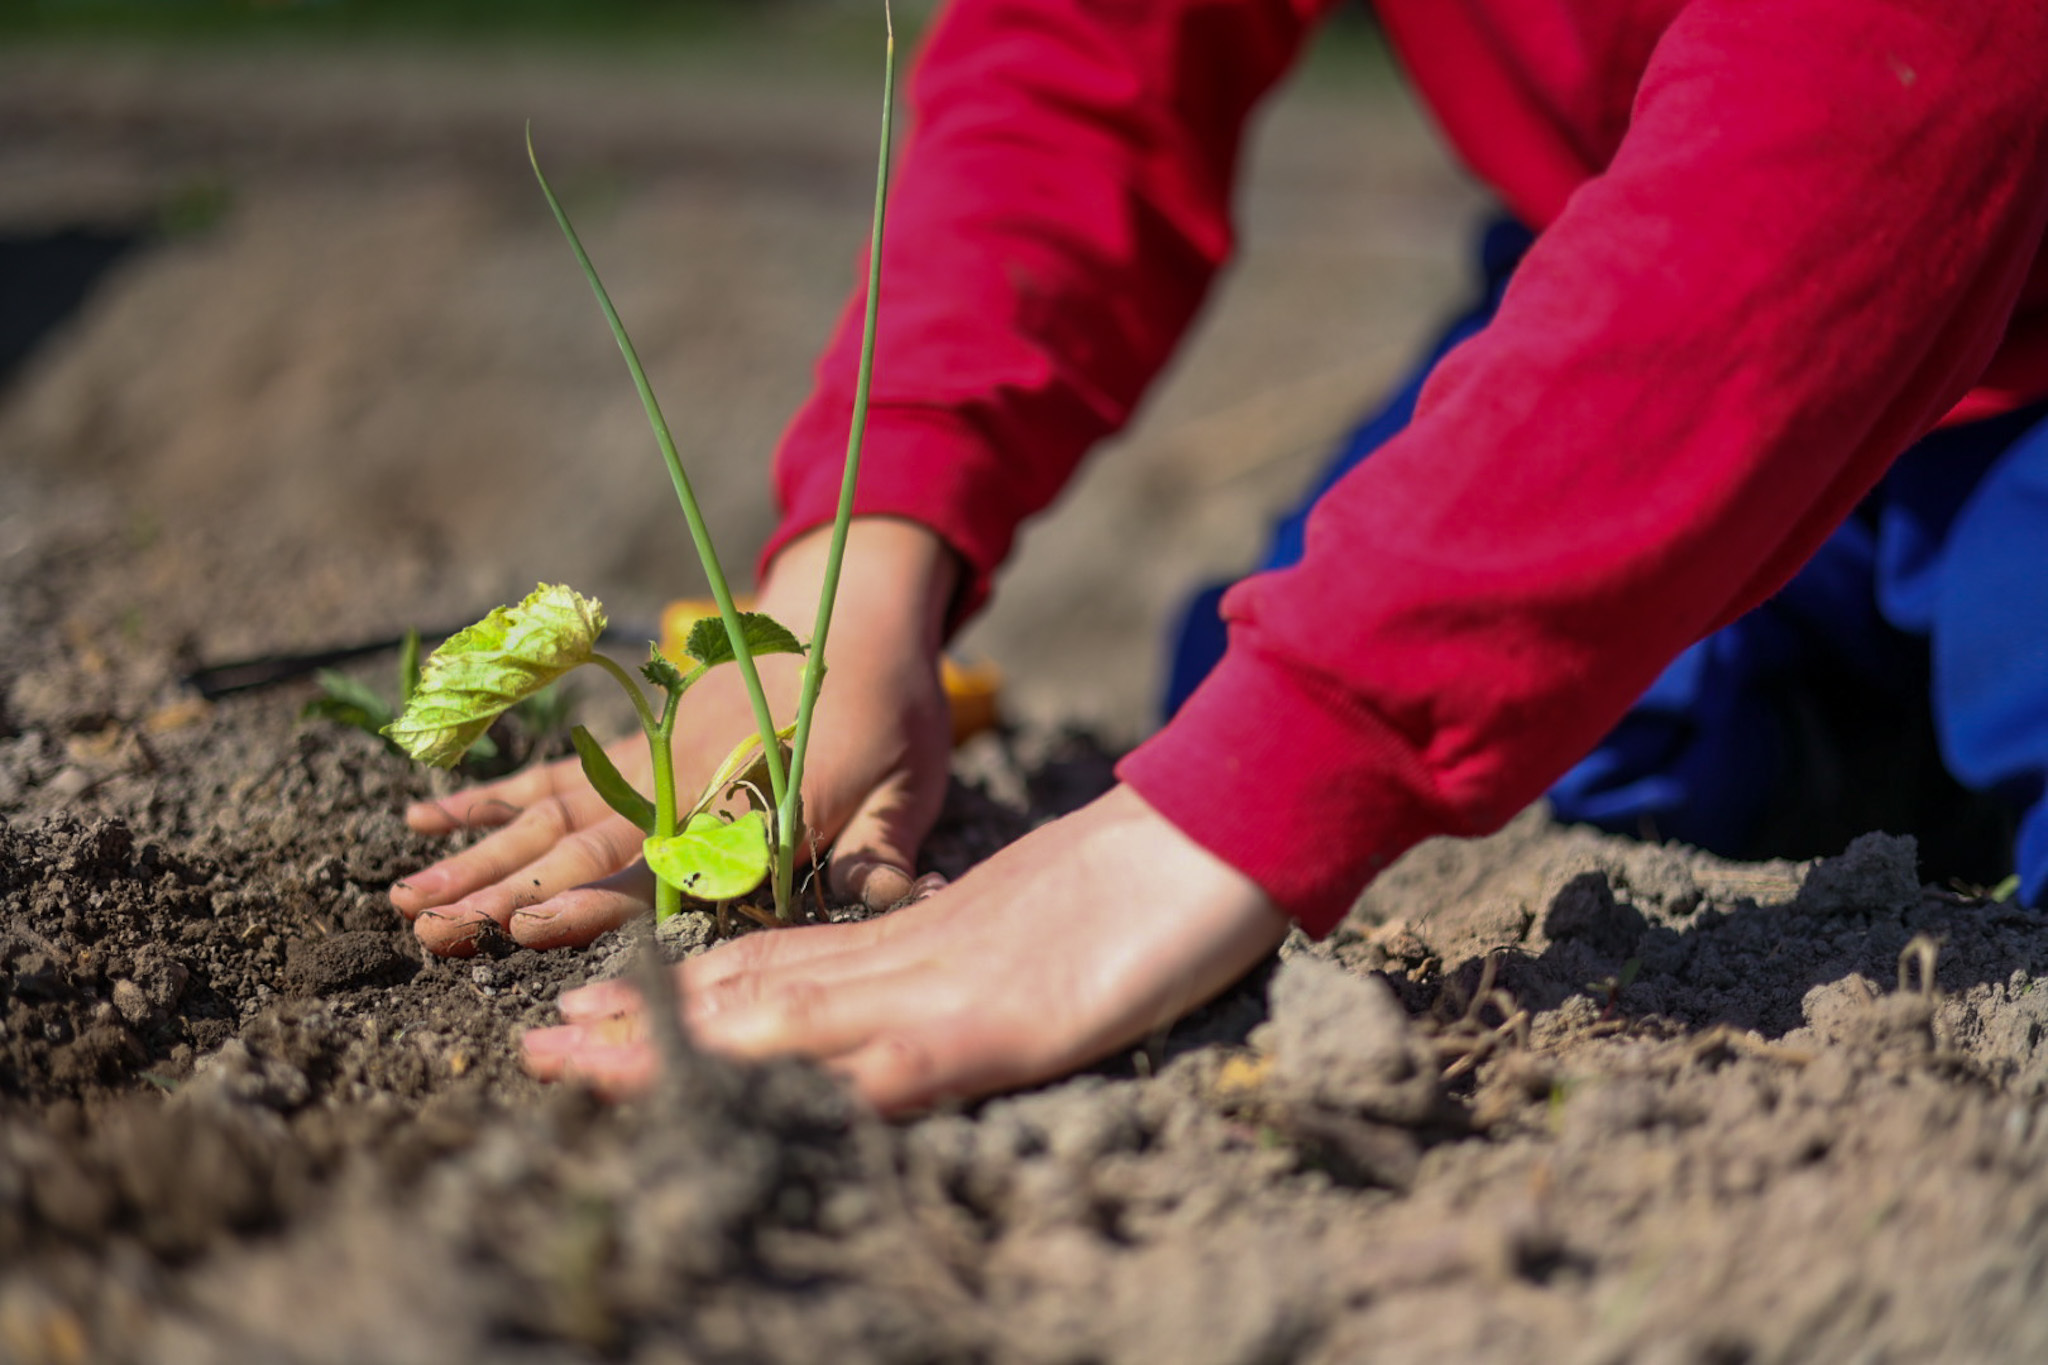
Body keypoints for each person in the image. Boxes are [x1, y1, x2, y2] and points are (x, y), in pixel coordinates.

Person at [391, 0, 2048, 1115]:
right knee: (1246, 704)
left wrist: (1256, 789)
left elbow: (1905, 83)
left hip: (1927, 268)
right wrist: (858, 570)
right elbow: (1089, 50)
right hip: (1641, 243)